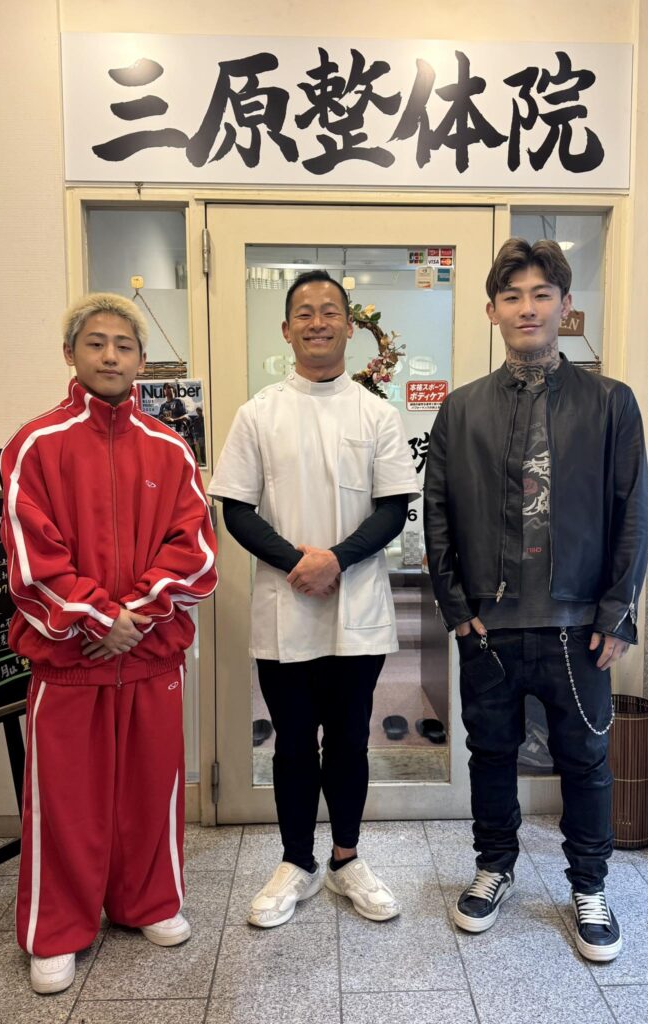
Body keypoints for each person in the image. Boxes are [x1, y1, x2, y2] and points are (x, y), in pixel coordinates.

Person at [424, 239, 648, 962]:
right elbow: (436, 511)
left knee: (585, 759)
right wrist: (456, 607)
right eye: (512, 295)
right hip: (488, 626)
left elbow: (632, 510)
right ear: (491, 310)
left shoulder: (610, 402)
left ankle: (589, 886)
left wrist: (617, 612)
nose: (527, 307)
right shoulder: (460, 409)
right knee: (489, 753)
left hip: (578, 626)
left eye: (541, 294)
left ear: (565, 305)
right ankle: (494, 866)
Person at [0, 293, 217, 994]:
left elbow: (195, 550)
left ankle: (147, 901)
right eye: (95, 343)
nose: (111, 356)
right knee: (65, 803)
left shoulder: (171, 447)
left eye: (124, 345)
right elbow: (30, 558)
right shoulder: (36, 444)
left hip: (151, 657)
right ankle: (56, 930)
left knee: (151, 791)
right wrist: (99, 618)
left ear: (142, 360)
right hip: (70, 661)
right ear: (70, 353)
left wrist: (136, 616)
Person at [209, 270, 418, 928]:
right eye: (304, 312)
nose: (318, 321)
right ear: (286, 329)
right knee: (293, 743)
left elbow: (393, 508)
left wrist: (336, 559)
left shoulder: (376, 414)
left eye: (330, 311)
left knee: (350, 741)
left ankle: (346, 860)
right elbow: (236, 509)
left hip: (357, 613)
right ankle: (295, 862)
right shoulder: (258, 413)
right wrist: (297, 562)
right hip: (285, 609)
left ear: (350, 327)